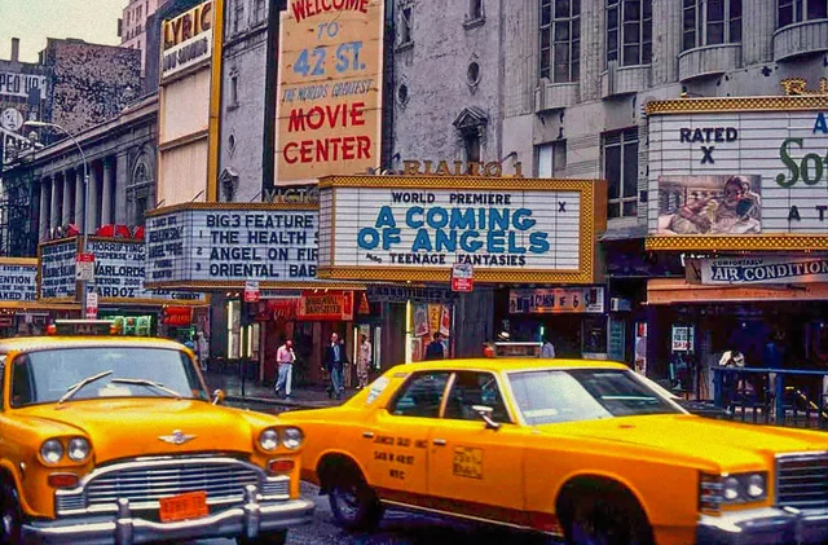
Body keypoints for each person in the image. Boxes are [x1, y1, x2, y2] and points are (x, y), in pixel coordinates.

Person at [324, 333, 348, 399]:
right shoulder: (329, 347)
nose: (335, 339)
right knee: (335, 379)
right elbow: (326, 357)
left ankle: (330, 389)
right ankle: (338, 393)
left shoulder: (340, 346)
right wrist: (323, 366)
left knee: (340, 378)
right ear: (331, 338)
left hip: (339, 364)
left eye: (336, 337)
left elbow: (343, 354)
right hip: (333, 364)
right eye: (333, 337)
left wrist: (346, 362)